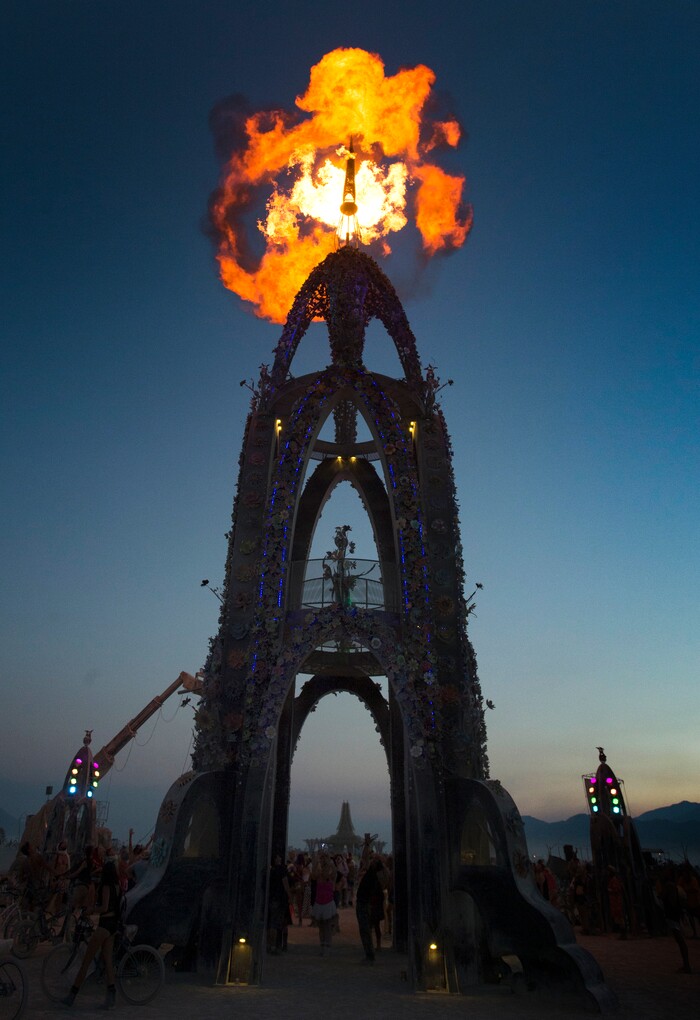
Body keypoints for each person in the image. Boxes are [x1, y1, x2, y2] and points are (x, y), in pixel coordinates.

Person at [62, 856, 122, 1010]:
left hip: (104, 925)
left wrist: (91, 910)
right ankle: (111, 994)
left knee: (86, 962)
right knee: (108, 961)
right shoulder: (117, 885)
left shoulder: (107, 886)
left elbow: (104, 907)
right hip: (113, 926)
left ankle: (72, 995)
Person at [355, 837, 387, 963]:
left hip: (365, 902)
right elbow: (364, 858)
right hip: (363, 901)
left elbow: (384, 881)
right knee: (365, 930)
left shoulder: (375, 874)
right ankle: (369, 953)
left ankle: (370, 955)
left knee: (365, 929)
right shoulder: (372, 871)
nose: (372, 860)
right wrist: (367, 845)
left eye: (374, 859)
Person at [310, 851, 337, 956]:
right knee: (321, 926)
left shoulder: (331, 871)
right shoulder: (319, 871)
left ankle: (327, 946)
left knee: (327, 926)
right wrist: (316, 863)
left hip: (328, 901)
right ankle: (322, 945)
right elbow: (313, 876)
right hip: (319, 901)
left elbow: (330, 875)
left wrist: (328, 864)